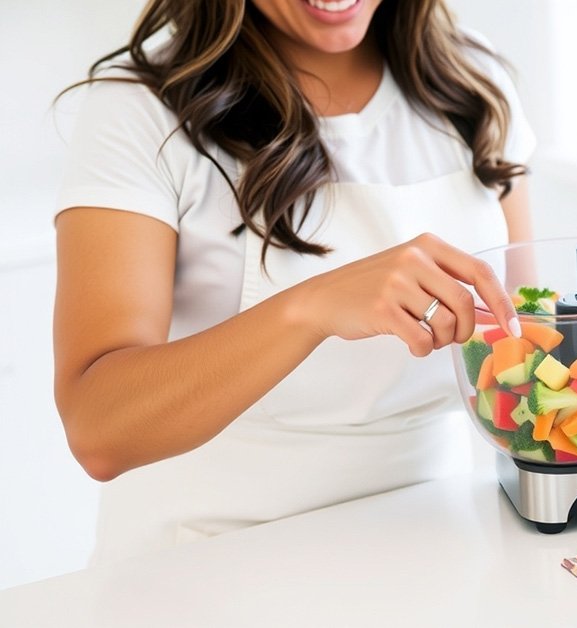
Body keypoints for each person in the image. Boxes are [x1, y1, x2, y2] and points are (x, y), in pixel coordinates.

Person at [52, 0, 534, 563]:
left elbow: (524, 346)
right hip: (204, 564)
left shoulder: (474, 79)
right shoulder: (138, 109)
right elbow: (99, 431)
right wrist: (308, 308)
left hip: (437, 542)